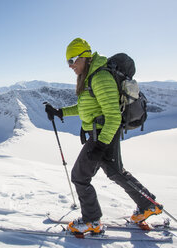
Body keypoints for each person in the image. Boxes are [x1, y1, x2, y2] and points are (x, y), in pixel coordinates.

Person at [45, 38, 162, 234]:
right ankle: (147, 204)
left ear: (85, 56)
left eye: (73, 60)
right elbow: (86, 107)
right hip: (101, 132)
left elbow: (114, 117)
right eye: (68, 62)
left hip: (103, 133)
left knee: (79, 176)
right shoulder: (90, 75)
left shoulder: (99, 77)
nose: (71, 65)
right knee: (115, 171)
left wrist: (100, 145)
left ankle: (91, 220)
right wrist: (60, 111)